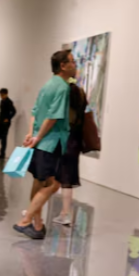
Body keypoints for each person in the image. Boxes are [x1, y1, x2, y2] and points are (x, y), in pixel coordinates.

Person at [14, 50, 75, 239]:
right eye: (72, 62)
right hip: (51, 142)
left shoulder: (47, 85)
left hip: (41, 142)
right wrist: (38, 137)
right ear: (63, 66)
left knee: (40, 181)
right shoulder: (63, 87)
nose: (75, 65)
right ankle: (25, 221)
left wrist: (31, 135)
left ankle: (37, 225)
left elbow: (35, 112)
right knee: (53, 184)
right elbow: (53, 117)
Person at [54, 77, 87, 226]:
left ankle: (64, 213)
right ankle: (65, 212)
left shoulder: (64, 105)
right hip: (75, 142)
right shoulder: (80, 101)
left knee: (56, 178)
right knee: (68, 179)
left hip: (63, 140)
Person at [0, 88, 16, 160]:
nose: (1, 96)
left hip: (5, 123)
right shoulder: (1, 101)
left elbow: (14, 111)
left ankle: (2, 154)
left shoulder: (9, 102)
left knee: (3, 138)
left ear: (6, 94)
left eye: (2, 95)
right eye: (0, 95)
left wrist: (8, 118)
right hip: (0, 121)